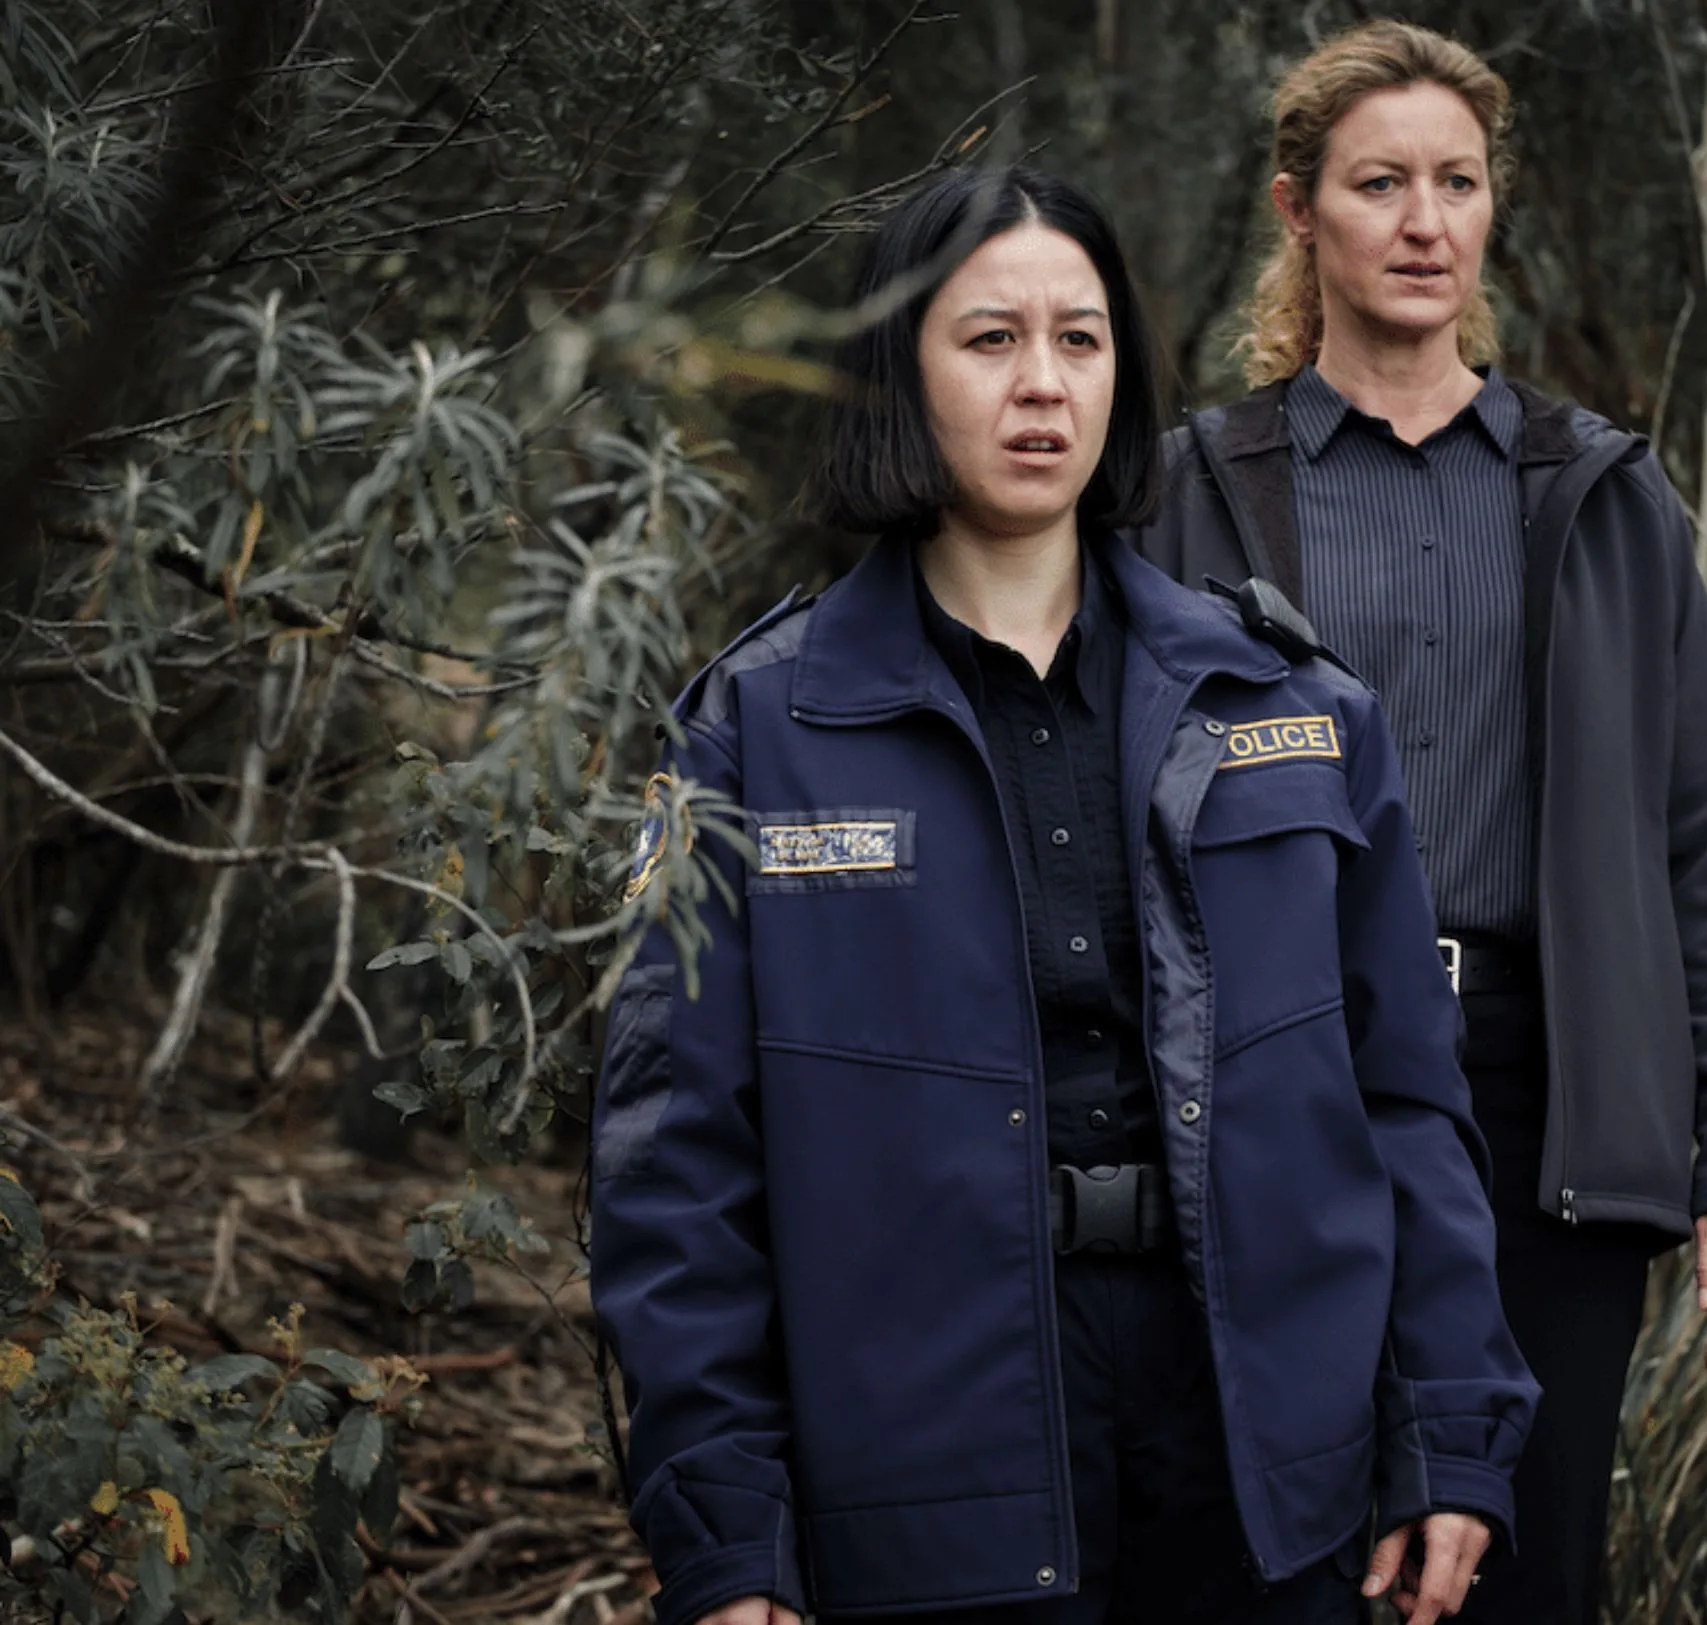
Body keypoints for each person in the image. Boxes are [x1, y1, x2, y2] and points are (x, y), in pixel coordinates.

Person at [589, 163, 1538, 1625]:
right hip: (925, 1461)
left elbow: (1406, 1099)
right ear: (896, 374)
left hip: (1262, 1459)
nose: (1043, 383)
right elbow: (675, 1164)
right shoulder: (755, 729)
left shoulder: (1293, 706)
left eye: (1080, 339)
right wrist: (724, 1527)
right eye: (990, 339)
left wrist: (1448, 1433)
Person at [1126, 24, 1707, 1625]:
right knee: (1282, 1571)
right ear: (1298, 210)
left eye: (1458, 182)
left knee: (1523, 1578)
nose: (1424, 222)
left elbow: (1705, 849)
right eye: (1379, 184)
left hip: (1544, 1108)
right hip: (1278, 1087)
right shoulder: (1186, 495)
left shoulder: (1600, 496)